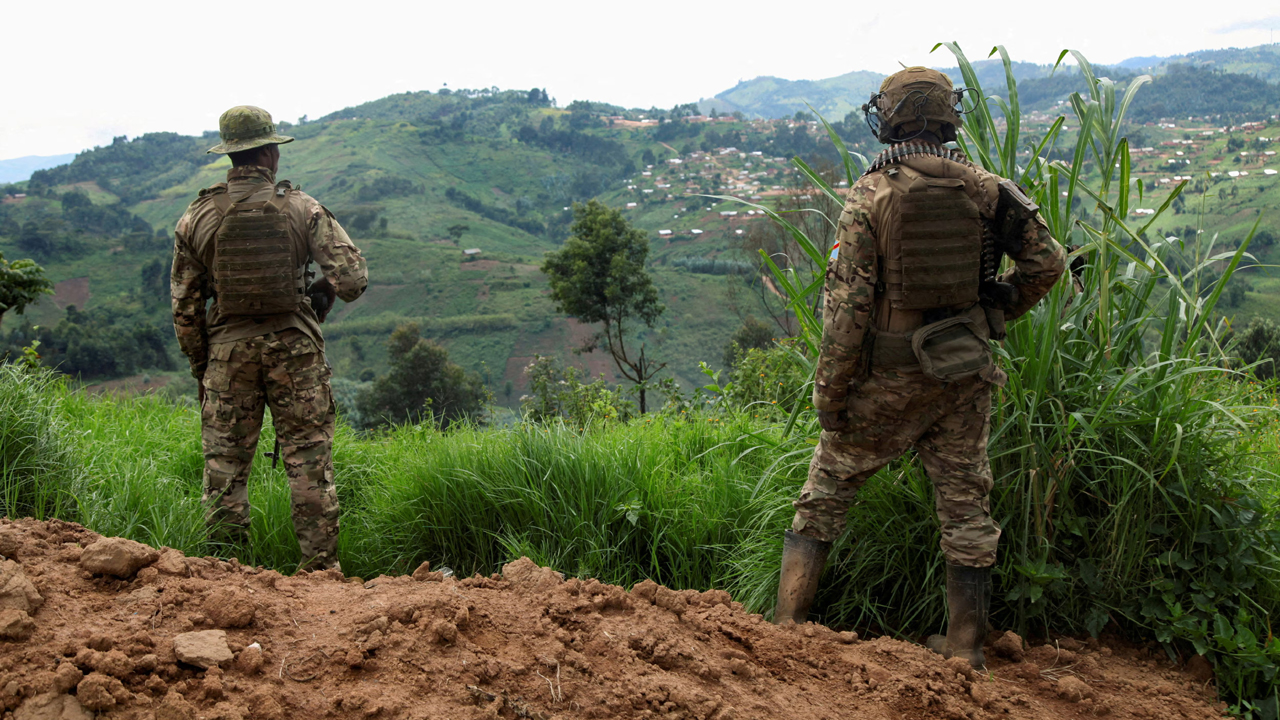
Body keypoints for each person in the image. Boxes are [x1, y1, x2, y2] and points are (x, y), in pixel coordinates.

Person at [773, 67, 1066, 669]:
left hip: (887, 377)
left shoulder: (870, 194)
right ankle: (965, 649)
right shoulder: (986, 189)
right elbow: (1047, 264)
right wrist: (999, 302)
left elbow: (848, 311)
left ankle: (787, 627)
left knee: (826, 490)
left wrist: (830, 395)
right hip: (962, 374)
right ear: (947, 117)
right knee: (965, 506)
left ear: (890, 119)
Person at [171, 105, 368, 572]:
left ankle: (226, 576)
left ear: (230, 157)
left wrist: (204, 369)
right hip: (295, 352)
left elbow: (185, 308)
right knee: (309, 463)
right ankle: (320, 574)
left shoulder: (195, 217)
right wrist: (320, 292)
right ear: (270, 153)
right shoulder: (303, 208)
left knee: (225, 471)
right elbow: (354, 280)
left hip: (226, 357)